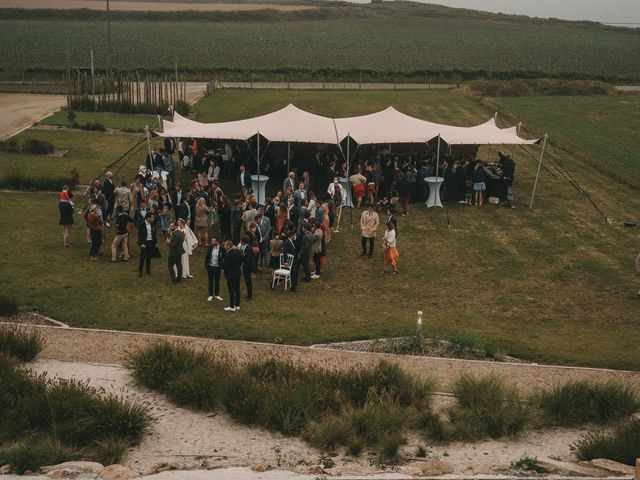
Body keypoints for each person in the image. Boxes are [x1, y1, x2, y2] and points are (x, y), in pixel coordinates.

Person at [222, 240, 242, 312]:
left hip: (230, 274)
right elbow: (240, 261)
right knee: (237, 289)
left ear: (228, 246)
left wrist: (225, 274)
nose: (224, 247)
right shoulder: (238, 251)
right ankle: (237, 305)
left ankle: (232, 306)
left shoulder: (228, 254)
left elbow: (226, 266)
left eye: (225, 245)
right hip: (237, 273)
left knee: (231, 290)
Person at [239, 235, 255, 300]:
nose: (240, 242)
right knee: (247, 281)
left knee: (248, 281)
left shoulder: (248, 248)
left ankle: (250, 296)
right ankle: (248, 294)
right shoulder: (245, 247)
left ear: (244, 241)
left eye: (241, 241)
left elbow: (248, 259)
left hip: (247, 267)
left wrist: (243, 261)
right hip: (246, 266)